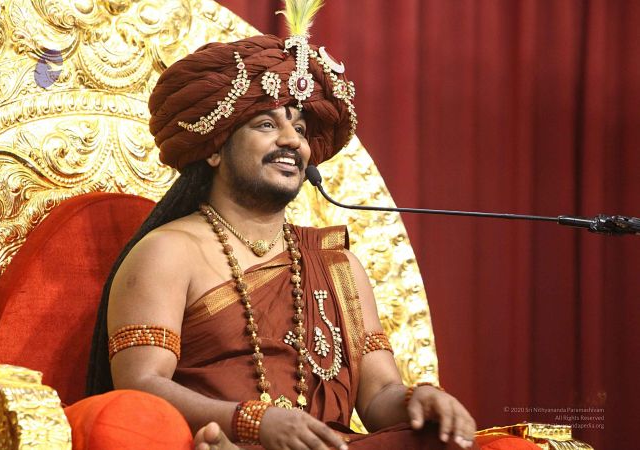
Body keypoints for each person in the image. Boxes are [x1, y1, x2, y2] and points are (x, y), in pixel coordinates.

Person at [80, 2, 538, 450]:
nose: (292, 141)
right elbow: (141, 385)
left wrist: (420, 401)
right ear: (214, 148)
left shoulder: (339, 266)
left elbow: (379, 396)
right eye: (266, 124)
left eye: (299, 128)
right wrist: (254, 422)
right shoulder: (168, 251)